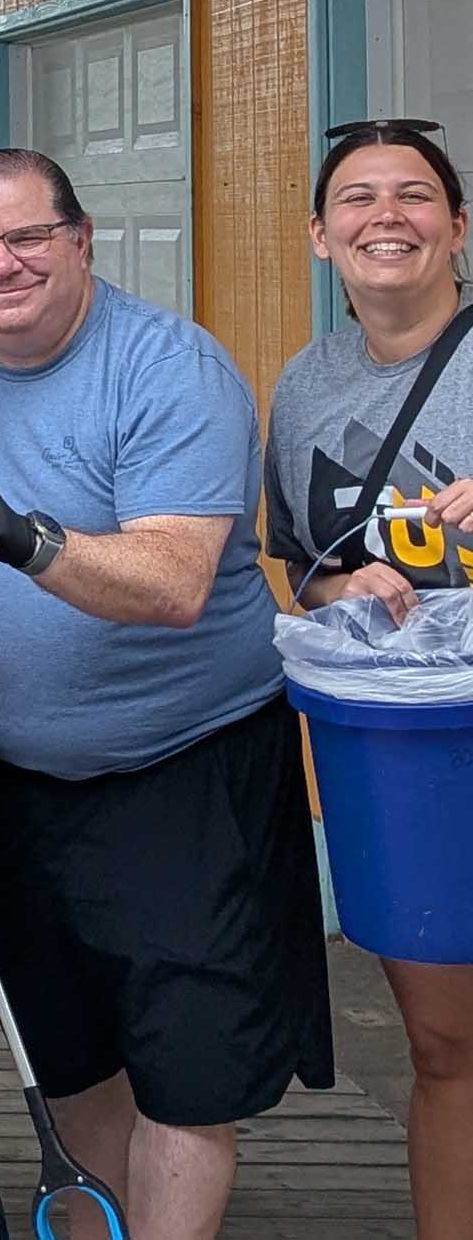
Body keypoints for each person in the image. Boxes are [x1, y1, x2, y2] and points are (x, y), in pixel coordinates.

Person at [0, 147, 332, 1240]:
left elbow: (174, 583)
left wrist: (26, 536)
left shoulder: (169, 369)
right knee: (68, 1057)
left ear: (81, 240)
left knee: (188, 1072)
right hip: (23, 782)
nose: (2, 264)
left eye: (27, 238)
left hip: (186, 771)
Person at [267, 119, 473, 1240]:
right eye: (356, 198)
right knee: (445, 1045)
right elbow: (305, 565)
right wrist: (339, 592)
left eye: (413, 195)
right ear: (318, 235)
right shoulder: (305, 387)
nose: (384, 216)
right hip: (415, 755)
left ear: (458, 227)